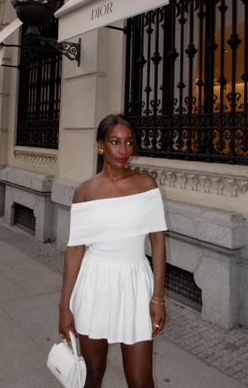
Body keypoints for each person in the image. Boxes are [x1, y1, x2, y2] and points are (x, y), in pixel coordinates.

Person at [58, 113, 167, 388]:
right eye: (116, 142)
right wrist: (65, 305)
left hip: (134, 284)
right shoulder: (85, 191)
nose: (124, 150)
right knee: (93, 374)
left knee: (141, 381)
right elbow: (75, 249)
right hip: (95, 285)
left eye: (129, 143)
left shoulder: (146, 184)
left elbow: (158, 242)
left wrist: (158, 298)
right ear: (101, 145)